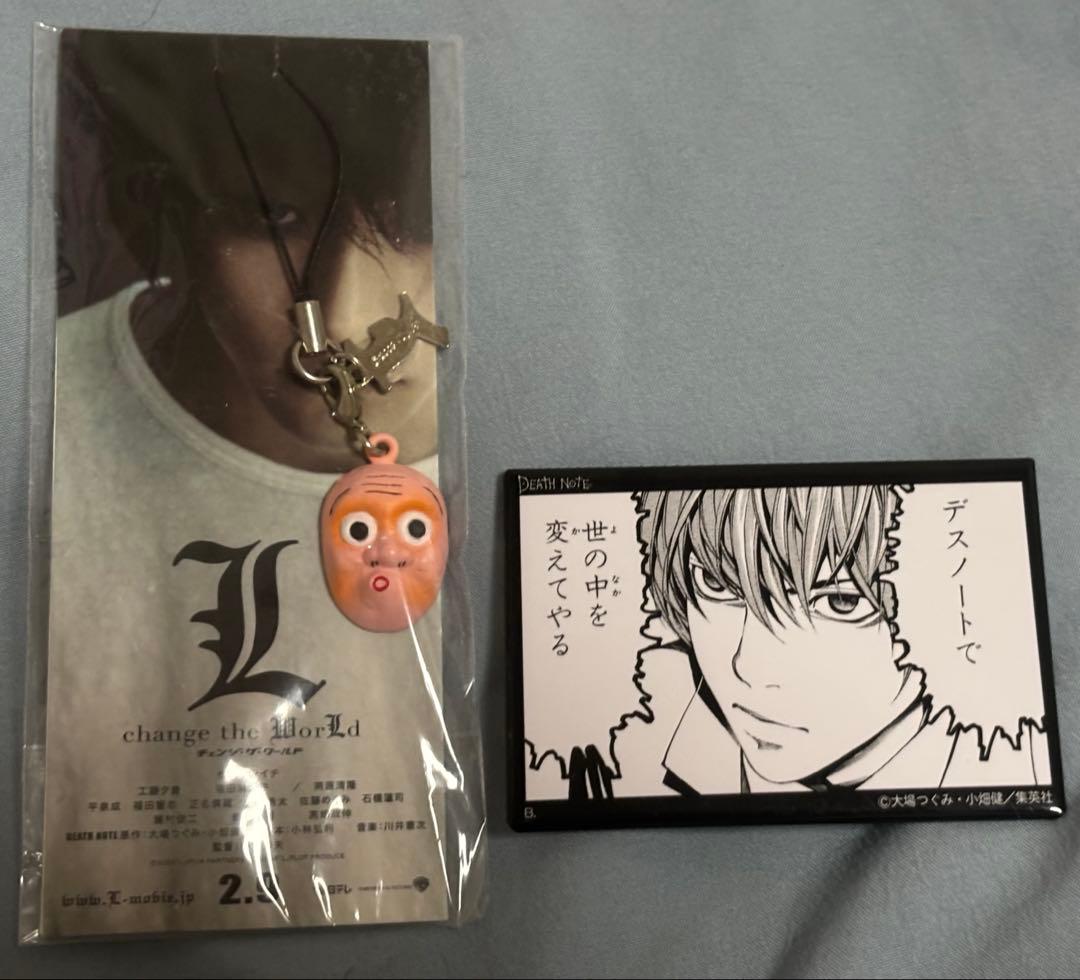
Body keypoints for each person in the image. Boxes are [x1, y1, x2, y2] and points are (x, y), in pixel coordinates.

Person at [37, 30, 454, 936]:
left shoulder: (546, 455)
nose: (341, 324)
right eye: (270, 217)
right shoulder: (39, 416)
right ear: (173, 212)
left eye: (415, 226)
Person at [553, 484, 1051, 799]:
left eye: (841, 602)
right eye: (717, 584)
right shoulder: (613, 738)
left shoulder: (1014, 761)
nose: (749, 665)